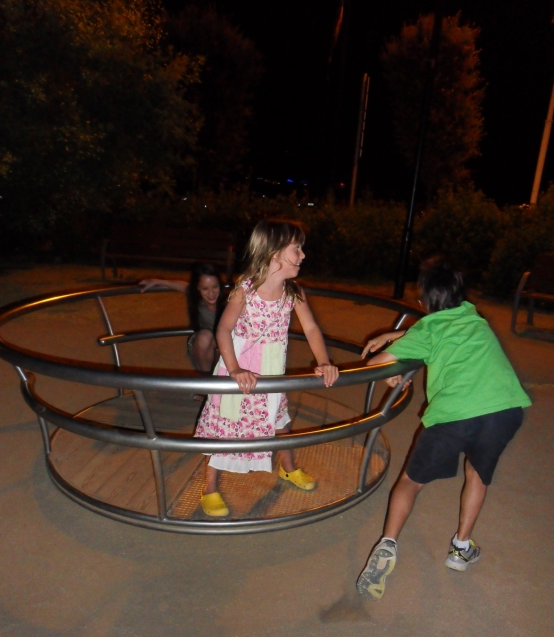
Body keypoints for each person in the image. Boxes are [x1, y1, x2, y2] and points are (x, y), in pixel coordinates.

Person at [356, 256, 531, 600]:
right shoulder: (473, 316)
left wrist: (390, 365)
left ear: (424, 301)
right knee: (477, 474)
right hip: (504, 409)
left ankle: (387, 544)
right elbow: (441, 327)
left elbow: (377, 364)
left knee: (411, 482)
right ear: (460, 294)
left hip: (455, 415)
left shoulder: (427, 330)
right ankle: (460, 550)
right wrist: (395, 335)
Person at [195, 218, 339, 517]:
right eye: (296, 248)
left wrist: (324, 361)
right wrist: (234, 369)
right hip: (240, 367)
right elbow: (224, 330)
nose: (303, 255)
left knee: (279, 419)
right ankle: (209, 486)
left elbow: (311, 328)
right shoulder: (245, 290)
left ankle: (288, 467)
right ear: (275, 254)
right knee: (226, 424)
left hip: (272, 369)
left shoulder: (293, 292)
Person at [140, 262, 226, 373]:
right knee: (205, 336)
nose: (211, 293)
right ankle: (206, 378)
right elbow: (181, 285)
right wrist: (157, 281)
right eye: (205, 288)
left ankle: (217, 376)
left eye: (215, 287)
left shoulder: (229, 302)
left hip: (224, 346)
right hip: (202, 345)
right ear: (198, 288)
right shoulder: (196, 298)